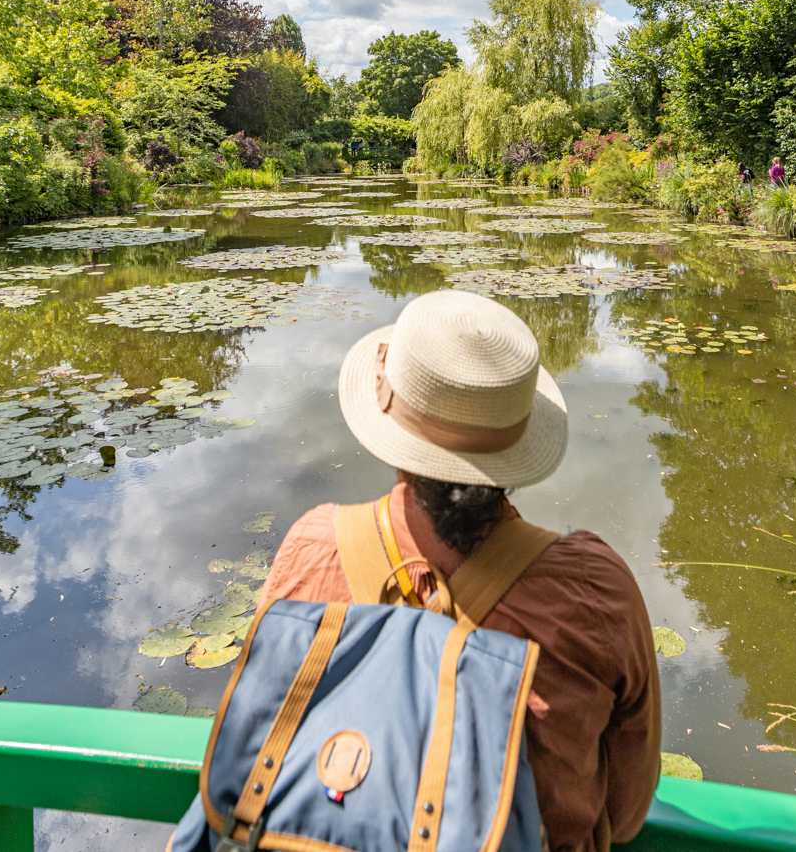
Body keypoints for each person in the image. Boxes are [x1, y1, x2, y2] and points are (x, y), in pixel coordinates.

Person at [260, 289, 661, 852]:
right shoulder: (596, 594)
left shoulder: (312, 548)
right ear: (517, 444)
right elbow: (626, 813)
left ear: (392, 431)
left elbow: (260, 740)